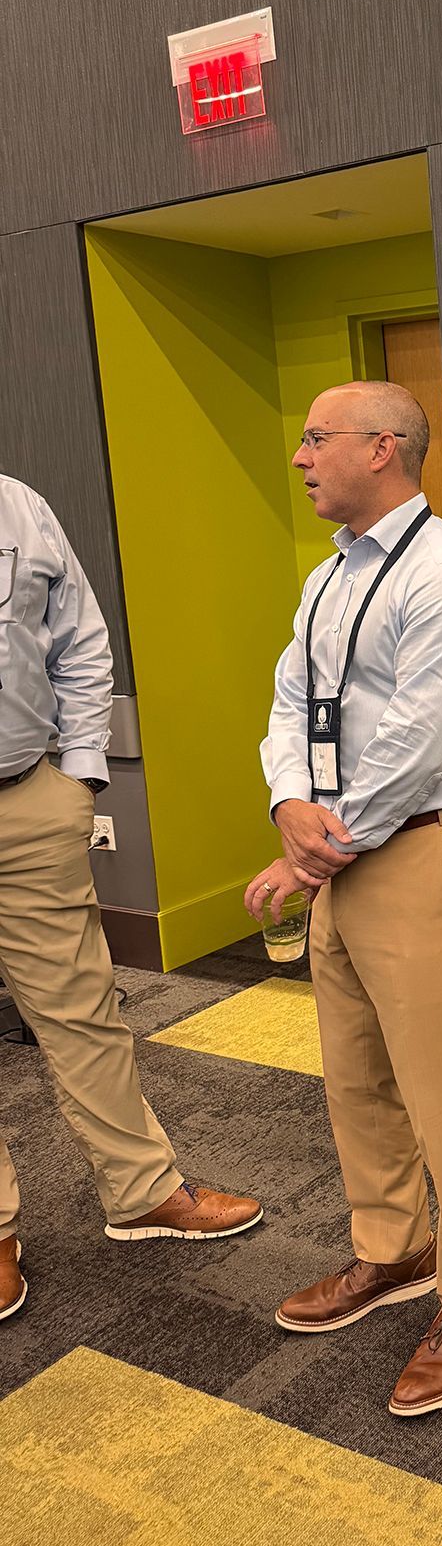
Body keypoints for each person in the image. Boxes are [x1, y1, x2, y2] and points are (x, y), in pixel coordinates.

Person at [249, 380, 442, 1417]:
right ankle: (394, 1248)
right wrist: (287, 801)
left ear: (383, 449)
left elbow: (417, 741)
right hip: (341, 851)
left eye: (317, 438)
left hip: (417, 850)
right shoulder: (330, 577)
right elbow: (291, 700)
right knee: (356, 1073)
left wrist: (311, 857)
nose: (301, 457)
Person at [0, 475, 262, 1323]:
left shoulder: (17, 504)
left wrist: (80, 772)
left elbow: (78, 638)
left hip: (28, 798)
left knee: (84, 1011)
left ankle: (143, 1192)